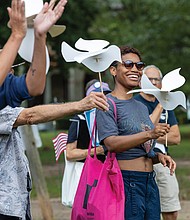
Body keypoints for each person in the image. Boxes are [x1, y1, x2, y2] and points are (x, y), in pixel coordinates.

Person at [96, 45, 176, 220]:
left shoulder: (140, 105)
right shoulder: (107, 103)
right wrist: (150, 134)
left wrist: (158, 156)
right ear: (113, 70)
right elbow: (110, 144)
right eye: (128, 64)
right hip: (126, 182)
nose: (135, 69)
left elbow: (142, 148)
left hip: (149, 182)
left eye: (139, 66)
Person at [0, 92, 108, 220]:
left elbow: (33, 87)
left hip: (16, 204)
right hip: (5, 206)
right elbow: (30, 116)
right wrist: (81, 105)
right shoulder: (79, 120)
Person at [0, 0, 68, 109]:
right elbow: (30, 116)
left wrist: (40, 36)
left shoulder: (6, 84)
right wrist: (17, 35)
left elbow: (35, 87)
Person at [134, 65, 181, 220]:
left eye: (157, 79)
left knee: (171, 209)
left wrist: (151, 134)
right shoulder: (134, 102)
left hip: (164, 162)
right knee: (145, 211)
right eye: (150, 79)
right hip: (140, 161)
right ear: (141, 81)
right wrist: (151, 132)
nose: (154, 82)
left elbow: (175, 138)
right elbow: (136, 134)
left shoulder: (167, 104)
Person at [66, 79, 112, 162]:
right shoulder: (80, 119)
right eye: (98, 96)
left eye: (106, 95)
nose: (103, 99)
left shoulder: (112, 117)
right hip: (85, 169)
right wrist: (97, 151)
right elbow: (70, 154)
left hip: (108, 168)